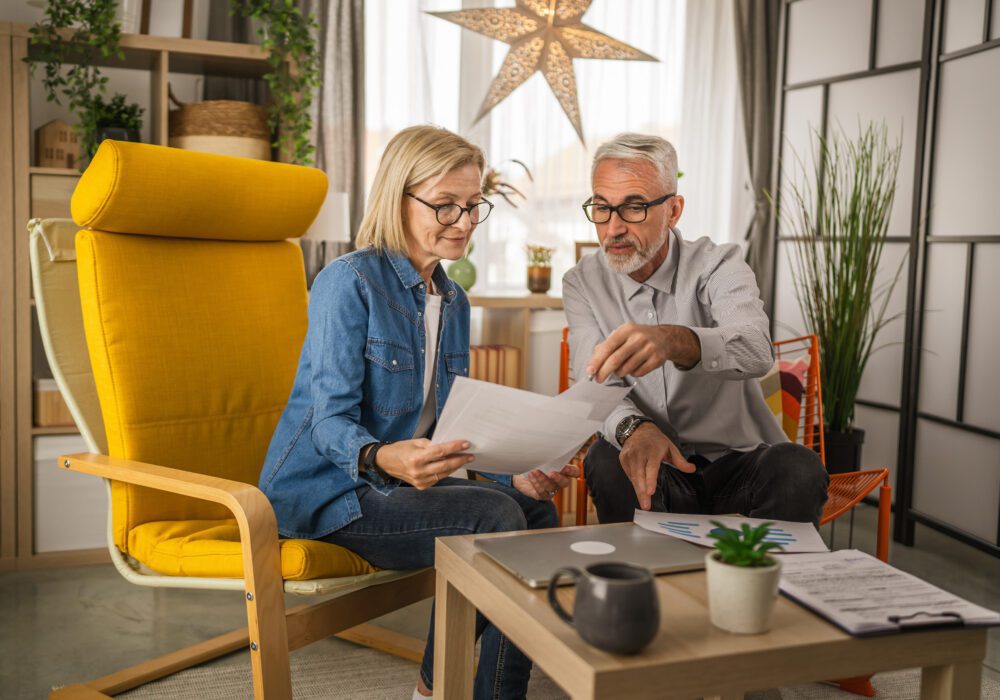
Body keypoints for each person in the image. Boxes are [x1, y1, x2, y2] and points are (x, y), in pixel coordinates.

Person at [260, 125, 576, 700]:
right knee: (495, 521)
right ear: (398, 198)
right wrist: (382, 457)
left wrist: (515, 475)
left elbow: (454, 428)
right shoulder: (347, 282)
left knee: (531, 513)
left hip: (395, 488)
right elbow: (330, 422)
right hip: (329, 493)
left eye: (473, 205)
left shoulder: (454, 300)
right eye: (444, 205)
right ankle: (445, 691)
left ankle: (452, 688)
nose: (463, 221)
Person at [563, 132, 828, 527]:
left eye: (634, 208)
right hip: (656, 472)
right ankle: (638, 581)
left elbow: (756, 350)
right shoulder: (582, 282)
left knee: (798, 467)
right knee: (606, 456)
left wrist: (676, 340)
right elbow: (592, 386)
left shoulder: (720, 265)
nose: (613, 228)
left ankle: (768, 584)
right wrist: (637, 429)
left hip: (737, 468)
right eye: (602, 208)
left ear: (673, 211)